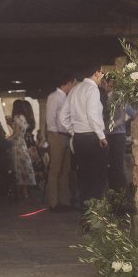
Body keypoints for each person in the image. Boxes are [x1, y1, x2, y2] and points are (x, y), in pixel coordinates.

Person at [58, 65, 108, 204]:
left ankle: (86, 215)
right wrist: (101, 136)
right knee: (97, 178)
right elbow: (93, 115)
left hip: (79, 139)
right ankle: (95, 216)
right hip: (93, 138)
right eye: (102, 74)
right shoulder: (92, 89)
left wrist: (73, 131)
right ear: (97, 73)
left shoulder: (75, 89)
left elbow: (63, 116)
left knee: (84, 177)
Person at [44, 74, 76, 212]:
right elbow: (50, 116)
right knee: (55, 169)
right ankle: (54, 202)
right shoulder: (54, 97)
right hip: (57, 135)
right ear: (68, 83)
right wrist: (54, 132)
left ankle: (64, 201)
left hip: (66, 135)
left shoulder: (65, 97)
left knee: (65, 169)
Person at [105, 82, 137, 191]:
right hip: (105, 134)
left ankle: (123, 192)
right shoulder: (101, 96)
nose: (104, 85)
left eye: (106, 83)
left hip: (117, 134)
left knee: (117, 165)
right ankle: (114, 191)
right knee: (109, 165)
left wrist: (125, 123)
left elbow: (133, 114)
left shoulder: (119, 97)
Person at [6, 99, 36, 201]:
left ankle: (19, 193)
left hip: (17, 145)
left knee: (17, 168)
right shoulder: (23, 117)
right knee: (24, 168)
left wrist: (7, 139)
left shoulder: (17, 117)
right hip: (22, 144)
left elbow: (16, 133)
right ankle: (25, 193)